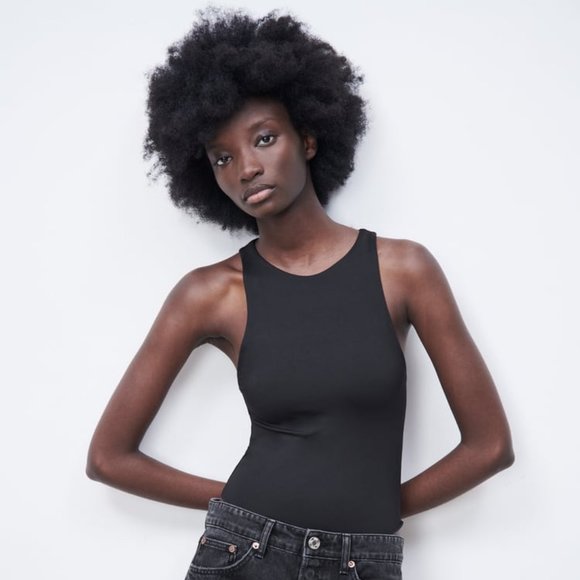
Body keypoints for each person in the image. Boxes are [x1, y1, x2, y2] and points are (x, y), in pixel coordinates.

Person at [86, 7, 515, 580]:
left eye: (264, 139)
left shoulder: (404, 270)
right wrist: (242, 509)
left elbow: (490, 446)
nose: (246, 168)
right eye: (223, 158)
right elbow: (108, 458)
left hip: (364, 560)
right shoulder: (209, 294)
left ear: (308, 138)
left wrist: (375, 514)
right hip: (245, 553)